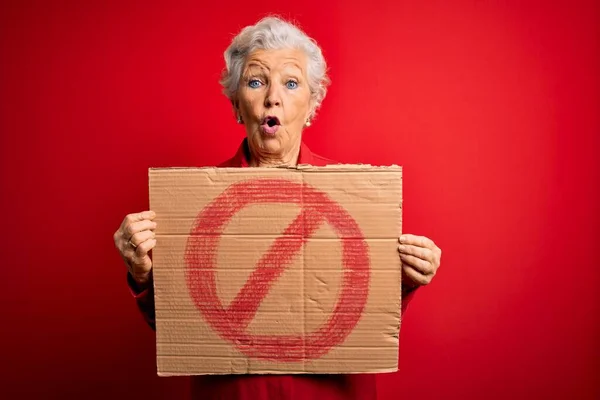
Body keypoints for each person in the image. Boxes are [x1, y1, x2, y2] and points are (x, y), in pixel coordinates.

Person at [113, 16, 442, 400]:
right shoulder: (190, 203)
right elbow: (180, 324)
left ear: (311, 103)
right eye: (256, 82)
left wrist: (404, 275)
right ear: (238, 103)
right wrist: (142, 274)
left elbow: (365, 319)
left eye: (290, 83)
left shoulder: (358, 197)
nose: (273, 97)